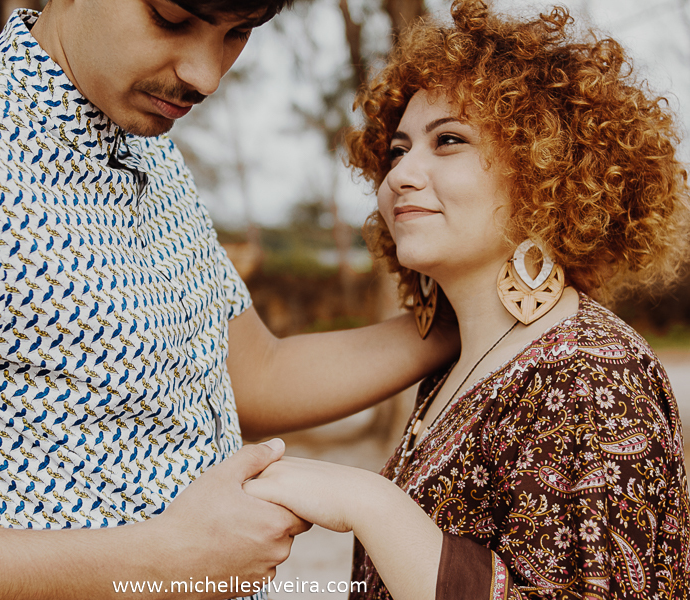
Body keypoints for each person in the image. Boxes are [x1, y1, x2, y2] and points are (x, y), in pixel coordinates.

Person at [0, 1, 457, 599]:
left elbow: (255, 375)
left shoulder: (149, 154)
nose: (206, 75)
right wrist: (157, 563)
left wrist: (471, 316)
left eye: (237, 34)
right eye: (171, 18)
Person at [243, 1, 690, 598]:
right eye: (397, 151)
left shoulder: (591, 375)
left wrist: (367, 502)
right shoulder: (463, 363)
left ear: (544, 171)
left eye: (448, 140)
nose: (400, 176)